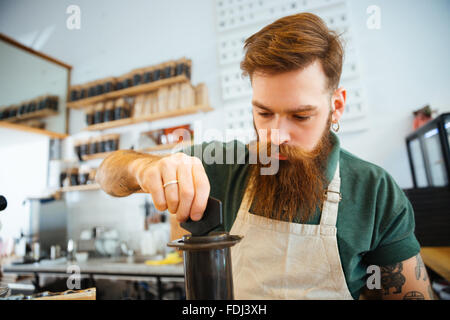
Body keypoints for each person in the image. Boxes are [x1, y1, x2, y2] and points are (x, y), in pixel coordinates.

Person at [96, 13, 433, 300]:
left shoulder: (375, 193)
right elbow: (107, 174)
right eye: (264, 113)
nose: (276, 135)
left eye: (301, 117)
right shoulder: (223, 166)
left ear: (336, 107)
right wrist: (147, 167)